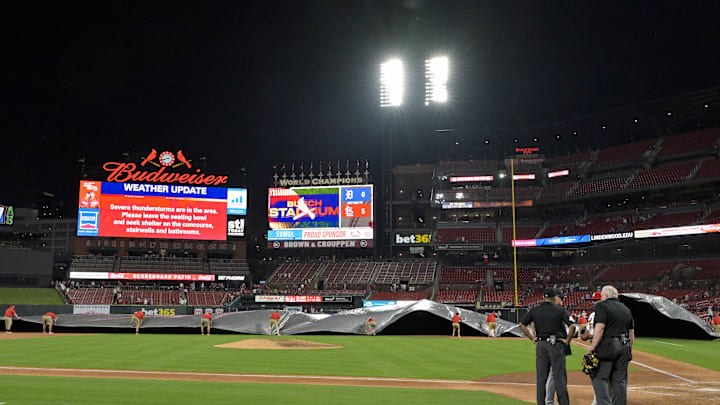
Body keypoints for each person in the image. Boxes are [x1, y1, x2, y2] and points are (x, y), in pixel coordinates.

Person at [519, 288, 576, 405]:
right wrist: (568, 341)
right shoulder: (560, 310)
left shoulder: (535, 310)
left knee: (541, 379)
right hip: (556, 345)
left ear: (543, 297)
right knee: (559, 377)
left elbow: (522, 324)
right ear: (554, 297)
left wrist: (531, 338)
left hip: (541, 345)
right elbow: (573, 326)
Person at [586, 285, 634, 405]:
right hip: (624, 346)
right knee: (620, 381)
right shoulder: (626, 308)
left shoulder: (602, 306)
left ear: (606, 295)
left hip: (609, 346)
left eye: (602, 296)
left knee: (599, 377)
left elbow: (600, 327)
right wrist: (629, 349)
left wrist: (592, 347)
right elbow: (631, 332)